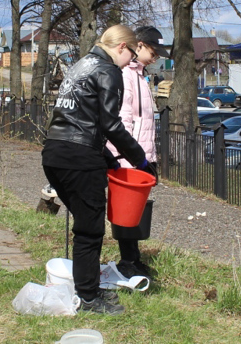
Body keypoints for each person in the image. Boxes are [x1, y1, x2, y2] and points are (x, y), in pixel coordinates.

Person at [43, 24, 157, 316]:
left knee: (85, 223)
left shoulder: (81, 65)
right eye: (131, 54)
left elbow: (78, 119)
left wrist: (108, 157)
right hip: (79, 159)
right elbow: (110, 124)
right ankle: (89, 297)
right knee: (90, 230)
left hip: (54, 152)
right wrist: (139, 158)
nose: (131, 60)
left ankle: (86, 288)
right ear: (122, 47)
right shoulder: (108, 70)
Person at [105, 25, 170, 280]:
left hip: (142, 154)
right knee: (126, 209)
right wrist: (126, 155)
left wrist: (149, 156)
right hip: (128, 157)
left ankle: (133, 257)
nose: (156, 58)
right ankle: (127, 260)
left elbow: (145, 120)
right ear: (139, 45)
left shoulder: (142, 75)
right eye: (153, 51)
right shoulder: (126, 74)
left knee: (137, 210)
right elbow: (125, 118)